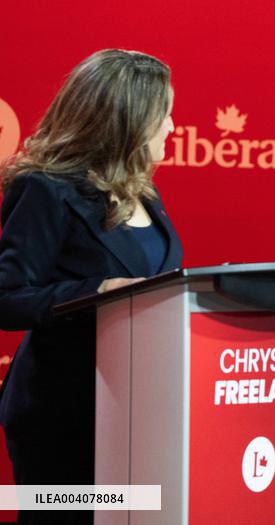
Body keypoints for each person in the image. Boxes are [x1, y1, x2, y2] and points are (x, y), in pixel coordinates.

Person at [0, 49, 183, 524]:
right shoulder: (46, 190)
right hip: (64, 415)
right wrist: (98, 291)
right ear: (128, 120)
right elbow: (6, 299)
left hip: (137, 411)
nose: (172, 127)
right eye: (164, 115)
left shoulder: (143, 190)